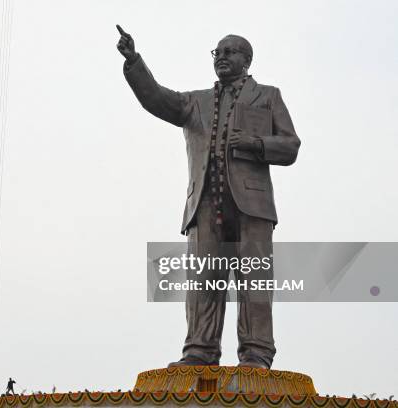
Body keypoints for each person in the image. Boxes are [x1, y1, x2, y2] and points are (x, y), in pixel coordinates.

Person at [116, 25, 300, 369]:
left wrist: (256, 144)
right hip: (204, 203)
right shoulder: (194, 102)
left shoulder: (268, 96)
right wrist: (134, 62)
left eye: (230, 52)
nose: (222, 58)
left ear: (247, 60)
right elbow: (156, 98)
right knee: (203, 281)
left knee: (254, 280)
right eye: (217, 53)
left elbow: (291, 146)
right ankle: (200, 351)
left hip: (253, 207)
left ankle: (256, 353)